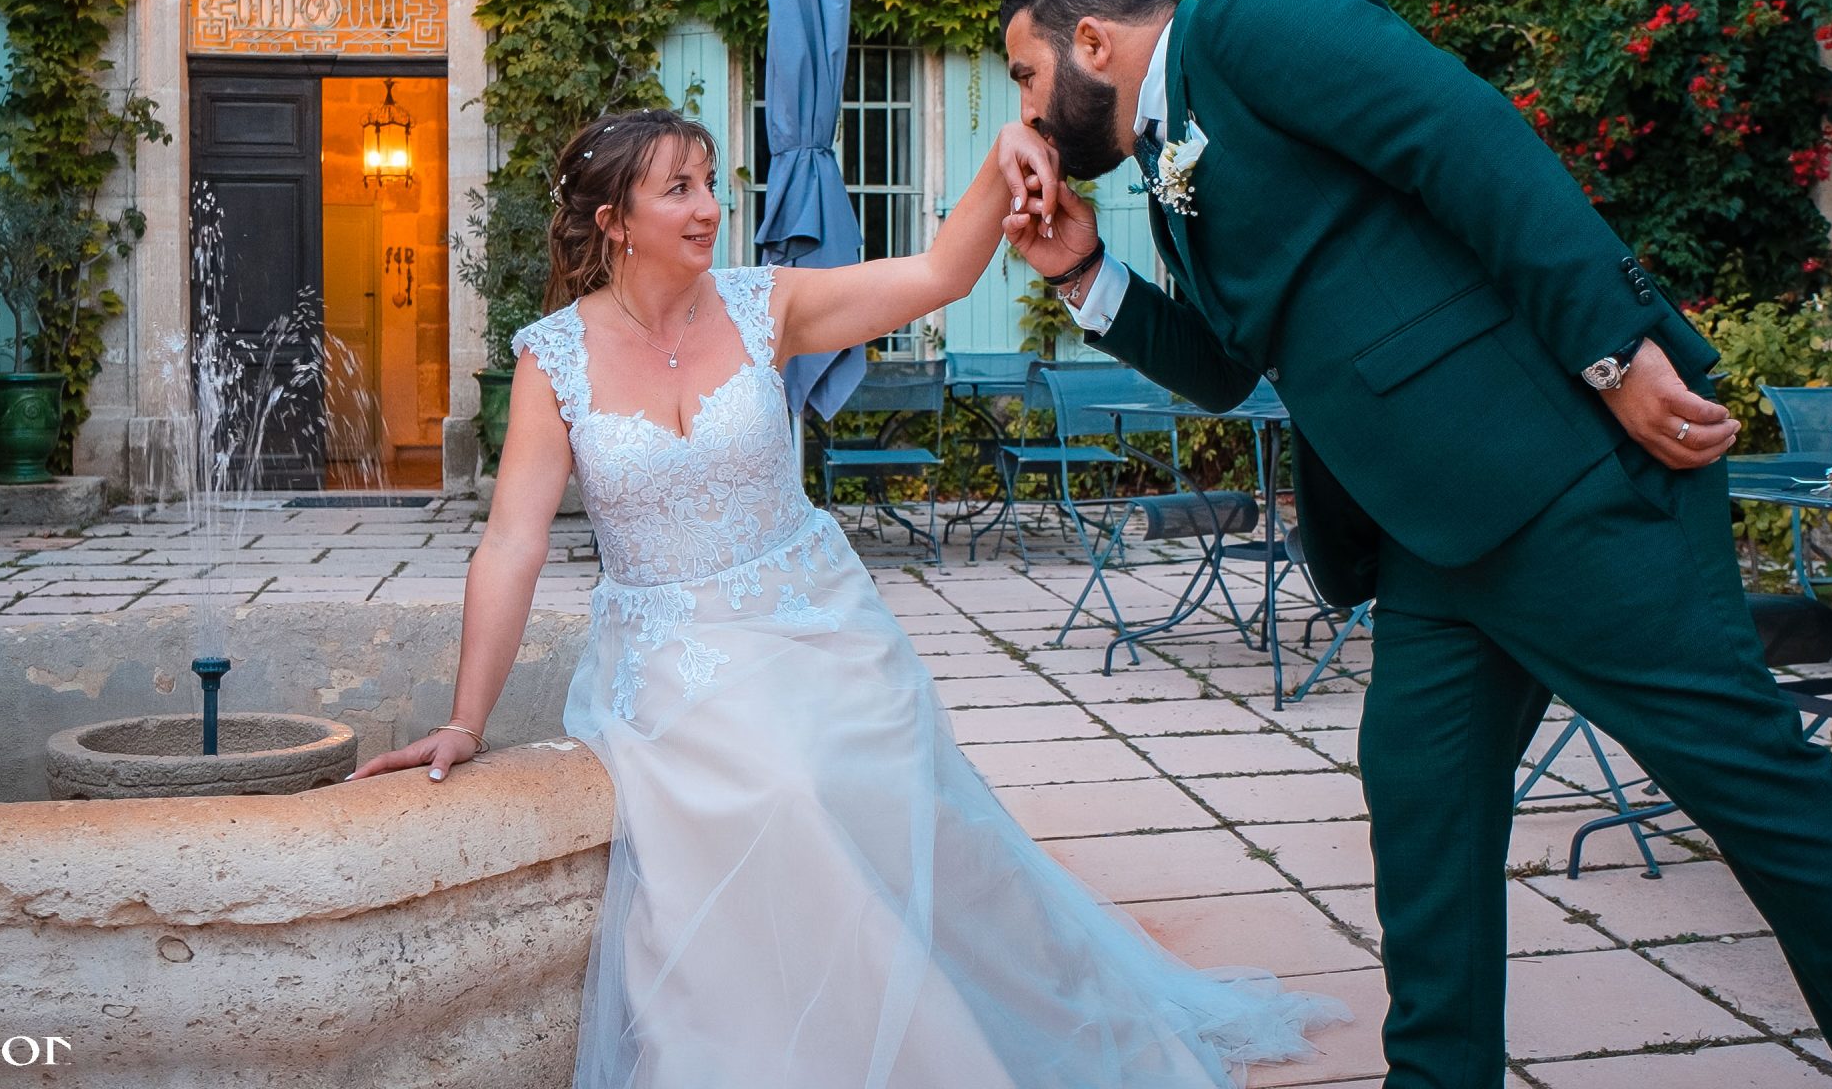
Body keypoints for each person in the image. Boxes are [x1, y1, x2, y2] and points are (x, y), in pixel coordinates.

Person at [993, 0, 1832, 1089]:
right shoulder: (1167, 163)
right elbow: (1232, 368)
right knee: (1422, 809)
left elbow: (1463, 136)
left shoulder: (1251, 18)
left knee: (1758, 797)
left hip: (1562, 482)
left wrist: (1613, 347)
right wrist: (1083, 271)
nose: (1026, 110)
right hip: (1430, 530)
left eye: (1025, 75)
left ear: (1093, 43)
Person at [353, 107, 1346, 1087]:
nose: (709, 209)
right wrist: (466, 721)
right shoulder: (554, 359)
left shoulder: (766, 305)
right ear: (614, 222)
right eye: (678, 190)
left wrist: (1006, 155)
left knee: (901, 811)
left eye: (710, 184)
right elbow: (512, 545)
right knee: (778, 793)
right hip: (670, 662)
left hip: (815, 625)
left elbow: (937, 275)